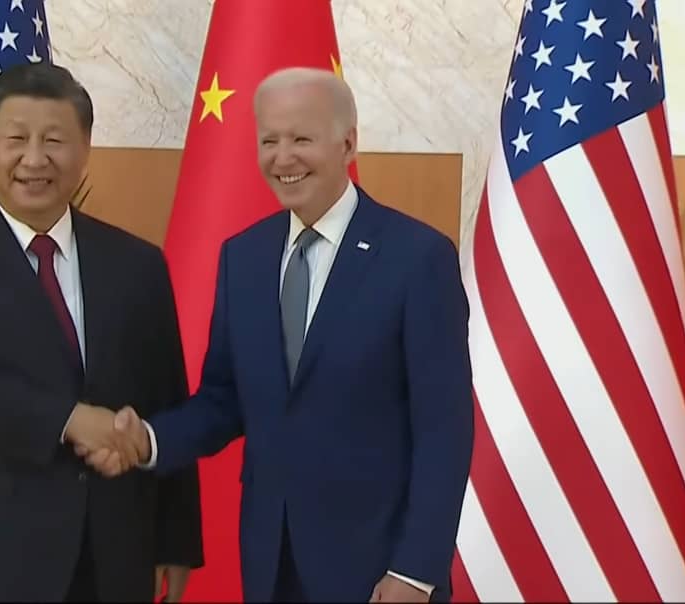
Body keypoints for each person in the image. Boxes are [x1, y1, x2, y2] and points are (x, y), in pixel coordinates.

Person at [81, 67, 474, 602]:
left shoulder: (417, 257)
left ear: (348, 143)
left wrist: (415, 571)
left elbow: (444, 432)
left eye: (301, 139)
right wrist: (145, 440)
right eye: (269, 140)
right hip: (271, 562)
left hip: (379, 568)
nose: (282, 158)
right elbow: (224, 402)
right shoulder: (243, 256)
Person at [0, 62, 202, 602]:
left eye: (55, 140)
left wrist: (175, 539)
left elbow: (167, 398)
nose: (34, 159)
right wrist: (68, 420)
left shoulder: (137, 263)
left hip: (113, 552)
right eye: (16, 138)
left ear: (84, 147)